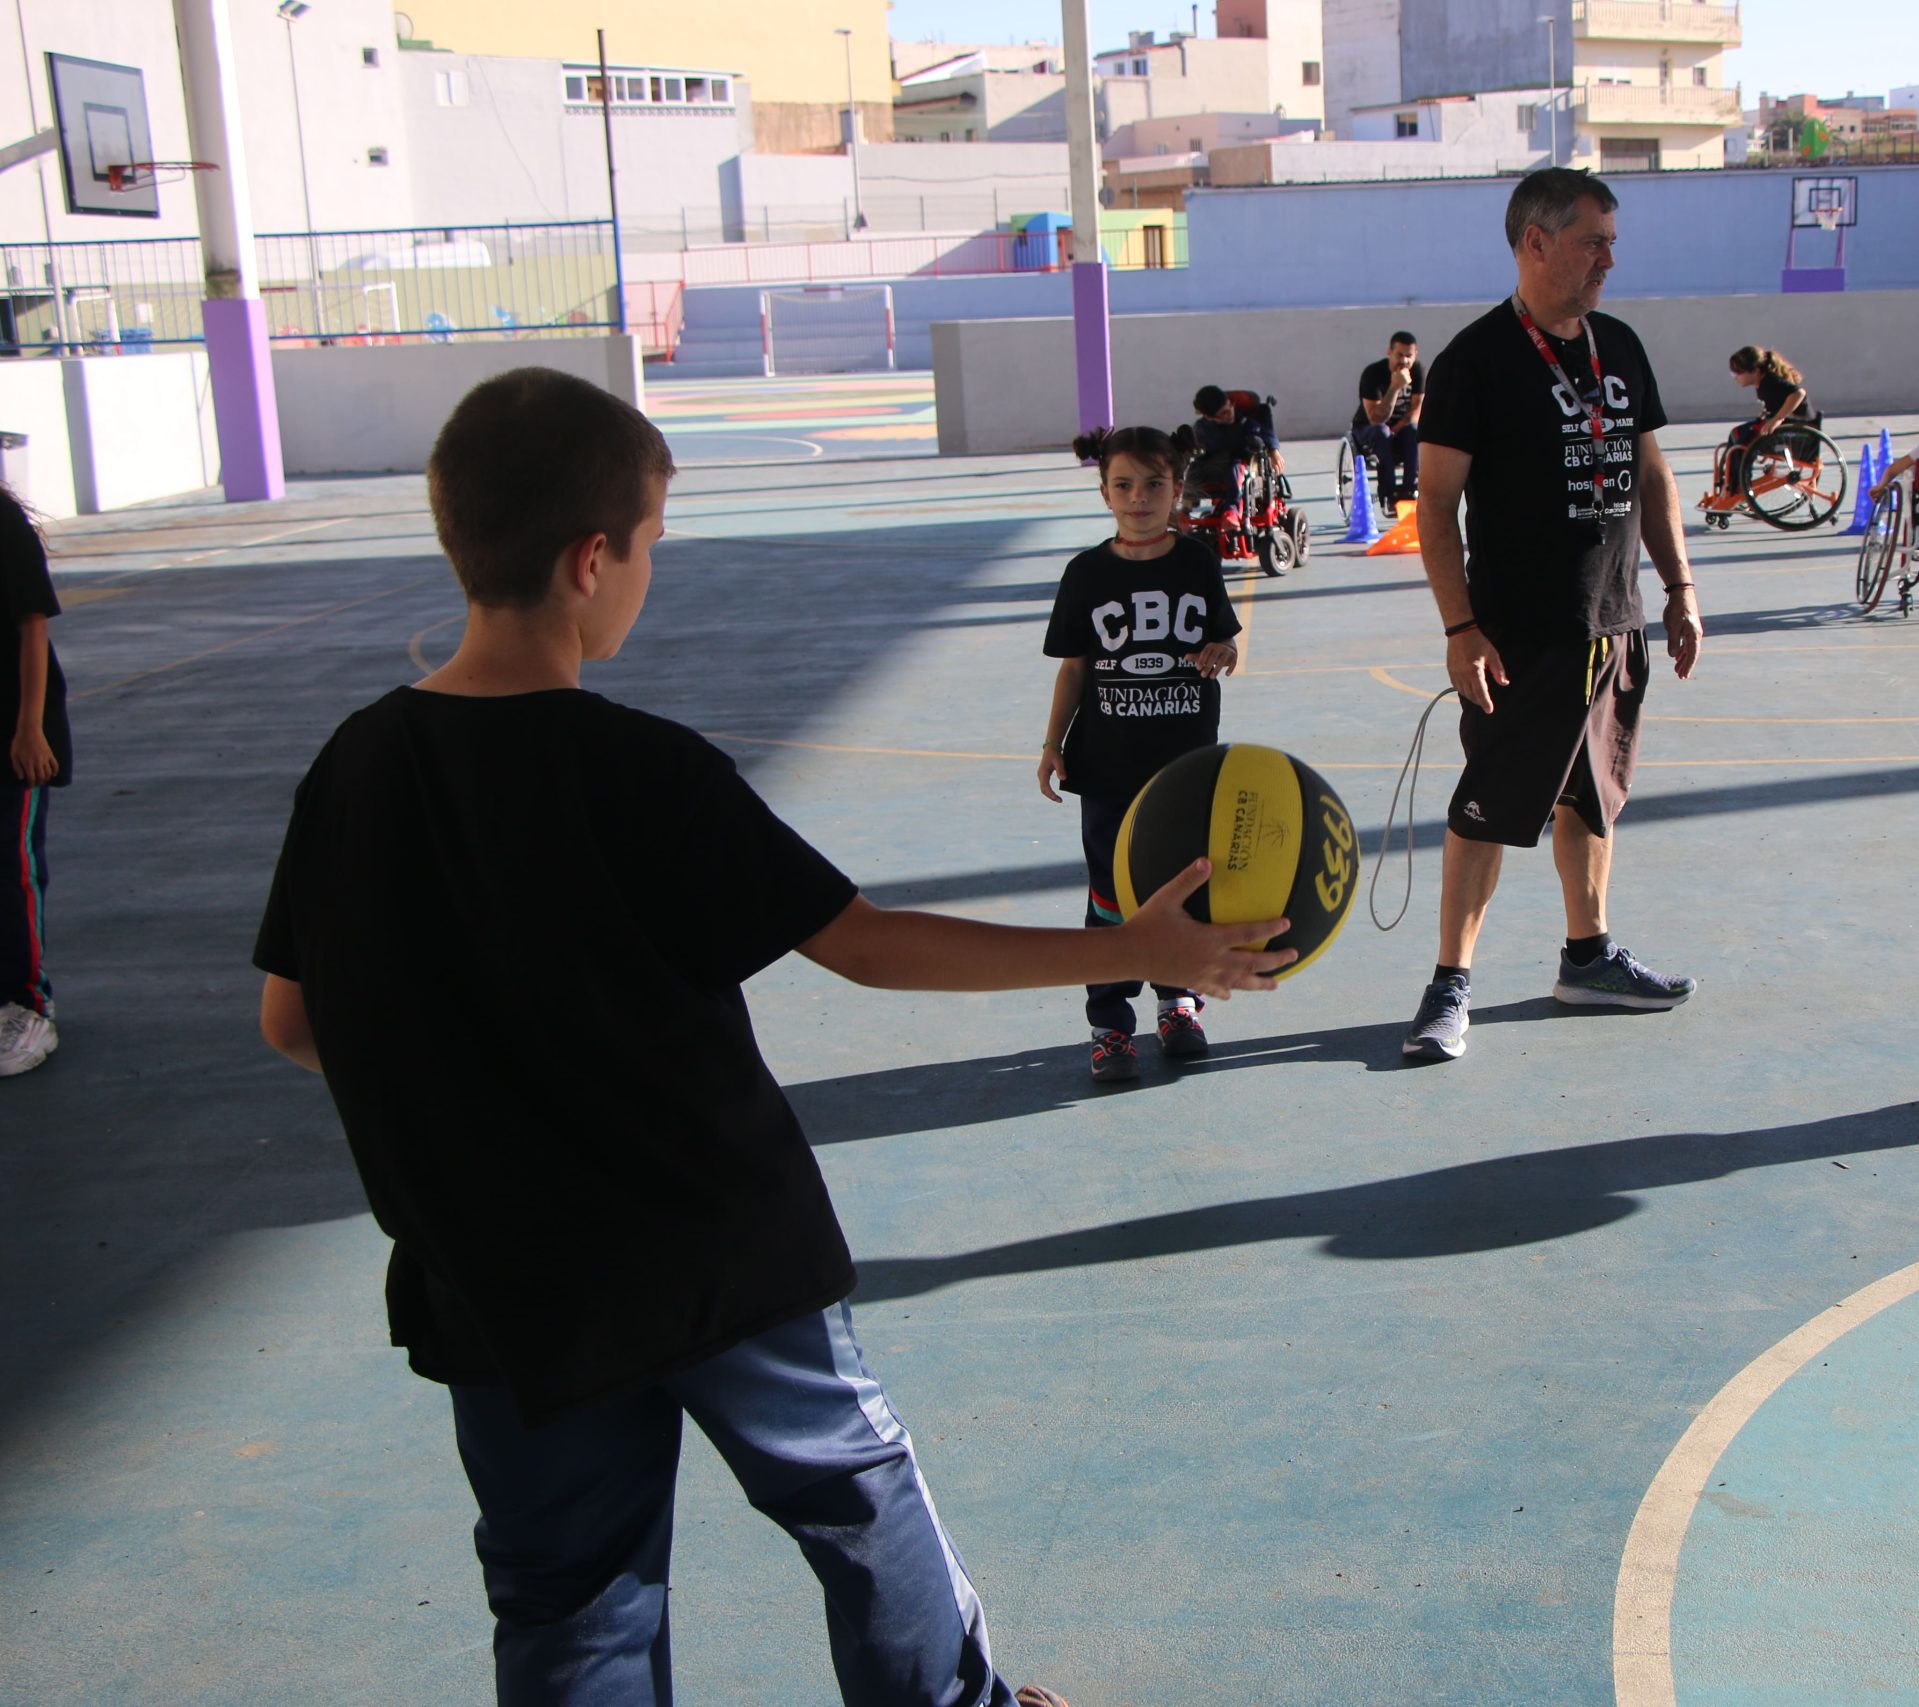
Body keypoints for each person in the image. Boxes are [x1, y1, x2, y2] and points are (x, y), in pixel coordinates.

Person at [252, 368, 1289, 1706]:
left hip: (499, 1266)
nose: (648, 573)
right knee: (857, 1500)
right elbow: (863, 942)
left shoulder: (359, 765)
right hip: (712, 1244)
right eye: (649, 546)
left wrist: (484, 1064)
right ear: (589, 560)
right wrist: (1131, 951)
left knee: (569, 1586)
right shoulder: (643, 767)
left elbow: (295, 1021)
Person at [1401, 167, 1704, 1063]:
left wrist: (1679, 586)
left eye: (1611, 240)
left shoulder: (1620, 345)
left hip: (1614, 622)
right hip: (1520, 635)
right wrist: (1462, 630)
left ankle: (1589, 956)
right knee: (1488, 808)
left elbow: (1652, 476)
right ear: (1536, 242)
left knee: (1594, 798)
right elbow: (1435, 505)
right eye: (1593, 241)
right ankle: (1450, 983)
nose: (1610, 257)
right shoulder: (1474, 362)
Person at [1039, 423, 1242, 1082]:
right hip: (1107, 767)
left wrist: (1224, 652)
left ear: (1176, 489)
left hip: (1184, 768)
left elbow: (1226, 645)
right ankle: (1109, 1025)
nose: (1139, 497)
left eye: (1154, 483)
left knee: (1181, 885)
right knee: (1110, 896)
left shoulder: (1199, 562)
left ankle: (1178, 1000)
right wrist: (1051, 743)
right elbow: (1074, 669)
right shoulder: (1086, 573)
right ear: (1104, 492)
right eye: (1124, 484)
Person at [2, 480, 66, 1078]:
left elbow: (33, 623)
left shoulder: (2, 520)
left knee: (11, 868)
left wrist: (29, 727)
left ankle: (27, 1004)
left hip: (10, 732)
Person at [1704, 345, 1818, 513]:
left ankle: (1739, 484)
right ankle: (1732, 484)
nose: (1735, 377)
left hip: (1795, 432)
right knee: (1736, 435)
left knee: (1740, 437)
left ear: (1755, 370)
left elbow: (1798, 393)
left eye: (1738, 372)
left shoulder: (1770, 381)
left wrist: (1777, 419)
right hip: (1783, 430)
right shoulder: (1764, 384)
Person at [1351, 331, 1428, 506]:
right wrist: (1394, 388)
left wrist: (1395, 430)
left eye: (1409, 356)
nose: (1404, 361)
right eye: (1399, 355)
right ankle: (1388, 491)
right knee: (1381, 431)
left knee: (1414, 431)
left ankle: (1409, 490)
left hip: (1400, 428)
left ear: (1415, 355)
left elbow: (1416, 410)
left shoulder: (1418, 371)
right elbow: (1376, 418)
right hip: (1368, 428)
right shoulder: (1373, 373)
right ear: (1389, 352)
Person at [1191, 384, 1278, 526]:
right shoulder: (1202, 428)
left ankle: (1232, 510)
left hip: (1240, 460)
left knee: (1235, 470)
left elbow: (1265, 433)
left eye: (1230, 407)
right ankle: (1185, 509)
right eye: (1223, 413)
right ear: (1209, 417)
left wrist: (1273, 450)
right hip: (1215, 462)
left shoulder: (1243, 421)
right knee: (1192, 469)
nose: (1229, 413)